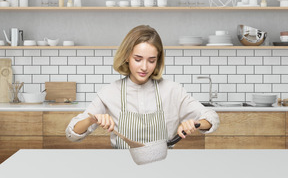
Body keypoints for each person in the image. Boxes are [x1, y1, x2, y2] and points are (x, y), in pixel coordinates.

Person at [66, 25, 219, 148]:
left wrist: (196, 123)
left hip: (165, 166)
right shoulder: (110, 93)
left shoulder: (173, 91)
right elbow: (71, 134)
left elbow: (212, 117)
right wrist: (91, 120)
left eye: (151, 61)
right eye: (138, 59)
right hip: (121, 168)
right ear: (127, 57)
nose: (144, 67)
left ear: (158, 60)